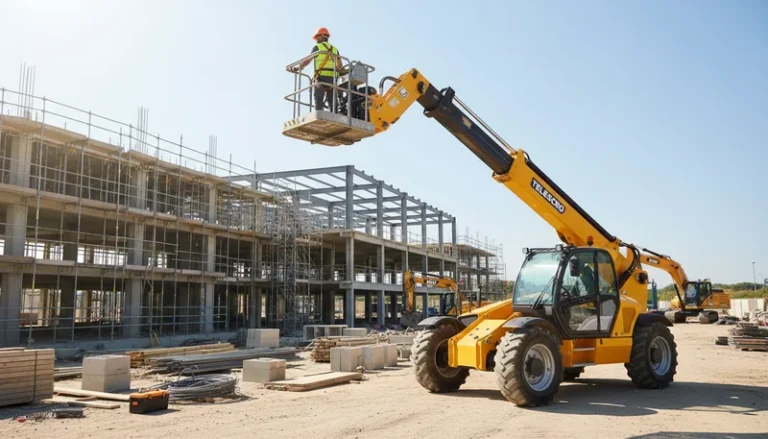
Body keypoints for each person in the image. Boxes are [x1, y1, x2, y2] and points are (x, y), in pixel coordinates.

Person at [293, 27, 344, 112]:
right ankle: (334, 114)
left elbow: (307, 61)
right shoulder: (335, 49)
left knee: (318, 97)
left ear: (322, 36)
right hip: (333, 78)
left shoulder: (317, 47)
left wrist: (298, 68)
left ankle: (319, 113)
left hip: (321, 77)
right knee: (332, 100)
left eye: (317, 37)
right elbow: (340, 66)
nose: (316, 39)